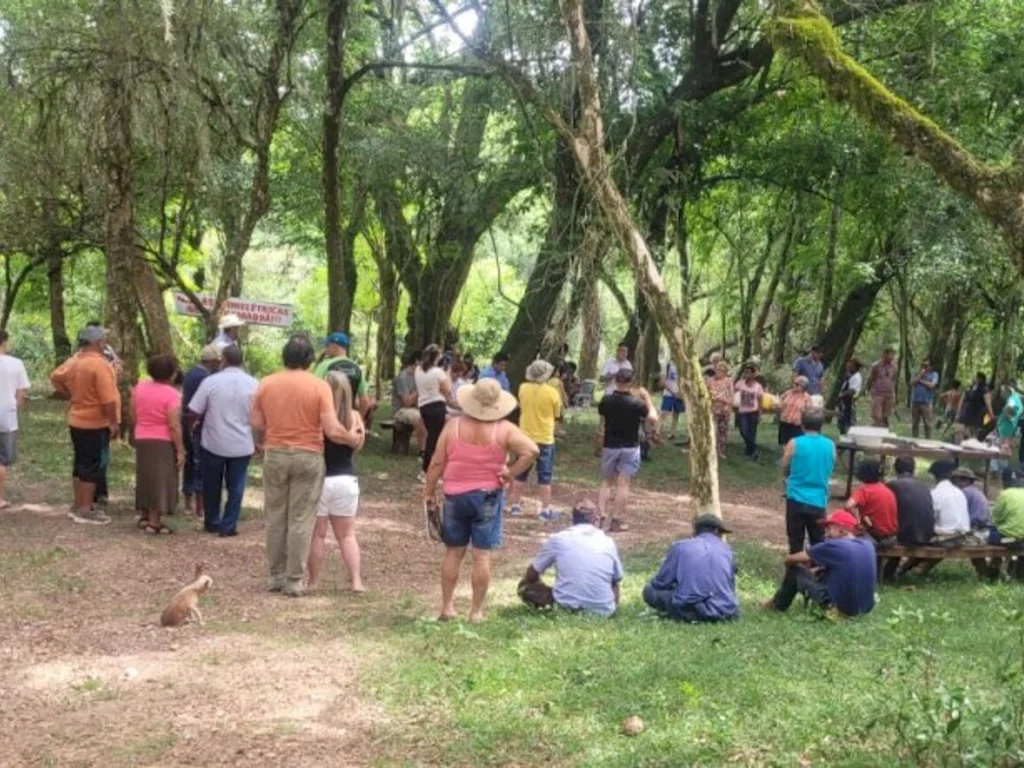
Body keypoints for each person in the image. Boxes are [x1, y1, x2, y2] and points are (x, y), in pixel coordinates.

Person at [250, 335, 363, 597]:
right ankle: (294, 579)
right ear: (310, 359)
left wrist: (274, 433)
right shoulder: (318, 386)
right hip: (308, 455)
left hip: (276, 453)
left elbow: (255, 421)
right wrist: (351, 438)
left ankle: (275, 575)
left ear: (284, 357)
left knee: (275, 515)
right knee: (301, 518)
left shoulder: (266, 384)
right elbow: (332, 429)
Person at [423, 378, 538, 622]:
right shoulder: (504, 429)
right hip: (487, 496)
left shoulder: (452, 426)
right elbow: (532, 450)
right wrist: (511, 472)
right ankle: (476, 611)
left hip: (455, 495)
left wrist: (429, 492)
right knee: (481, 555)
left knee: (453, 552)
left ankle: (447, 607)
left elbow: (436, 462)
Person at [50, 326, 121, 525]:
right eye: (103, 340)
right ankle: (85, 509)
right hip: (95, 422)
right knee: (92, 464)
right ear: (98, 343)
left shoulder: (74, 360)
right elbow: (108, 400)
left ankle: (79, 503)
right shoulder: (100, 365)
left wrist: (70, 395)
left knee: (81, 462)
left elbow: (55, 377)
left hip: (77, 419)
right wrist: (113, 422)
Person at [188, 344, 258, 537]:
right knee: (236, 487)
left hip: (214, 442)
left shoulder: (211, 382)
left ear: (223, 360)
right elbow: (260, 416)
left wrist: (191, 427)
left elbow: (194, 410)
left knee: (212, 484)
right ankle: (229, 526)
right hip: (242, 444)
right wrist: (259, 440)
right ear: (242, 361)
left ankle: (212, 521)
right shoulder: (254, 384)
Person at [307, 372, 367, 593]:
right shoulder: (354, 416)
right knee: (347, 534)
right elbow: (358, 445)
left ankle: (313, 581)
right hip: (346, 478)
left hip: (320, 479)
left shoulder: (317, 416)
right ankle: (356, 581)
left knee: (318, 534)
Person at [764, 509, 877, 618]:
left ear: (842, 531)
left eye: (829, 528)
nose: (826, 533)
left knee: (795, 572)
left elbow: (790, 559)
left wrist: (797, 567)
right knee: (818, 572)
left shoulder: (834, 546)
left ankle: (776, 606)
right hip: (865, 609)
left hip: (839, 610)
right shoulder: (867, 545)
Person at [518, 500, 623, 615]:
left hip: (565, 607)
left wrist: (539, 584)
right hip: (604, 611)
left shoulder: (558, 539)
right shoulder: (608, 541)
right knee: (614, 583)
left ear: (573, 520)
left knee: (526, 588)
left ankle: (567, 601)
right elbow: (617, 578)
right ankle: (610, 609)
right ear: (596, 520)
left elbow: (532, 574)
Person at [642, 514, 738, 623]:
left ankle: (686, 615)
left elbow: (661, 583)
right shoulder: (727, 550)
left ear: (695, 531)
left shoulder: (680, 547)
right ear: (716, 531)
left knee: (649, 591)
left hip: (691, 610)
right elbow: (731, 586)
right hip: (726, 611)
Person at [597, 369, 658, 533]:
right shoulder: (636, 404)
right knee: (623, 484)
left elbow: (602, 417)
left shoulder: (606, 401)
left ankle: (601, 516)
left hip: (610, 445)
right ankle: (616, 520)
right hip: (630, 446)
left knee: (606, 482)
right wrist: (647, 399)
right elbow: (653, 418)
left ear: (616, 381)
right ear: (630, 383)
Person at [131, 355, 184, 534]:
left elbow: (134, 413)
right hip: (162, 440)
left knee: (145, 476)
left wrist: (138, 429)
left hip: (142, 436)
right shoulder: (173, 394)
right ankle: (155, 521)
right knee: (161, 479)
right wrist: (180, 450)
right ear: (171, 374)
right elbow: (173, 424)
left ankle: (144, 513)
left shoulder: (140, 388)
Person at [509, 360, 562, 521]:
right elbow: (557, 416)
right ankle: (545, 509)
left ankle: (515, 505)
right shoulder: (553, 392)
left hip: (525, 436)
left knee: (520, 472)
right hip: (545, 438)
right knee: (545, 475)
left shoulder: (523, 388)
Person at [782, 409, 835, 553]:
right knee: (818, 542)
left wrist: (786, 478)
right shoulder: (830, 445)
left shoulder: (794, 443)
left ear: (802, 425)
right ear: (821, 425)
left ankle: (794, 572)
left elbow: (785, 465)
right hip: (818, 500)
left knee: (795, 542)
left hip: (796, 498)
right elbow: (830, 467)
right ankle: (817, 572)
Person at [180, 345, 222, 517]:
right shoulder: (206, 378)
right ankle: (200, 507)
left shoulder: (190, 373)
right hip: (198, 424)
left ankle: (188, 502)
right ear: (212, 362)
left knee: (190, 462)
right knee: (200, 464)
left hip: (186, 421)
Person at [314, 332, 377, 423]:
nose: (326, 349)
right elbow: (365, 401)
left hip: (327, 420)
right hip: (348, 421)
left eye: (327, 345)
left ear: (335, 347)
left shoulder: (325, 365)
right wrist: (359, 422)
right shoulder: (357, 368)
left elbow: (314, 392)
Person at [0, 330, 30, 510]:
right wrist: (15, 408)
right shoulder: (16, 363)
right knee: (2, 460)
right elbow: (21, 393)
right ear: (5, 342)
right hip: (6, 416)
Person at [415, 345, 452, 476]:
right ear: (437, 357)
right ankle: (426, 469)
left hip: (424, 406)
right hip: (437, 406)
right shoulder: (438, 372)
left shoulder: (418, 370)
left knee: (432, 436)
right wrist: (447, 373)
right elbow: (448, 390)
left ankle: (430, 466)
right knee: (434, 439)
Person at [845, 459, 898, 544]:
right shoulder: (886, 489)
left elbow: (848, 506)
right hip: (891, 537)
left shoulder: (864, 490)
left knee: (843, 535)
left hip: (874, 536)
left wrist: (857, 519)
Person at [887, 457, 935, 546]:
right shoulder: (923, 486)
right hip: (926, 535)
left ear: (895, 469)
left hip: (905, 536)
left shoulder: (892, 485)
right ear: (913, 469)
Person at [391, 350, 427, 453]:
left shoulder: (419, 376)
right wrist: (419, 388)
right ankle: (423, 451)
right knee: (420, 417)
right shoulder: (403, 378)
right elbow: (406, 402)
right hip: (401, 410)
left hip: (414, 408)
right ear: (417, 362)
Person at [928, 459, 971, 540]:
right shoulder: (959, 492)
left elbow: (930, 519)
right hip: (964, 536)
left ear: (934, 476)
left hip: (947, 537)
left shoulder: (935, 493)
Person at [734, 363, 764, 461]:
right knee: (743, 431)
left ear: (753, 374)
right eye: (745, 372)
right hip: (742, 411)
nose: (746, 375)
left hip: (753, 411)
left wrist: (760, 412)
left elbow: (760, 400)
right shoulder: (740, 383)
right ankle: (754, 448)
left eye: (748, 373)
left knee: (751, 432)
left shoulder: (758, 386)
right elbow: (733, 392)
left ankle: (750, 451)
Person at [989, 468, 1024, 547]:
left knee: (990, 534)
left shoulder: (1004, 494)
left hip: (1009, 536)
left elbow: (996, 518)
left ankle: (997, 558)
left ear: (1003, 482)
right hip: (1022, 537)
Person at [949, 467, 991, 532]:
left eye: (955, 479)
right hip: (982, 526)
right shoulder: (974, 491)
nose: (953, 482)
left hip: (975, 527)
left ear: (964, 480)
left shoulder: (965, 492)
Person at [707, 361, 734, 459]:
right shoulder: (710, 380)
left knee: (722, 431)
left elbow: (731, 396)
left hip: (724, 409)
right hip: (712, 408)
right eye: (717, 369)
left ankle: (720, 451)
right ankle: (711, 450)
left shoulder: (729, 381)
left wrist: (725, 402)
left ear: (725, 372)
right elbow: (705, 393)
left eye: (720, 370)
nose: (718, 372)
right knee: (712, 430)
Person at [955, 372, 993, 442]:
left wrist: (991, 415)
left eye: (975, 377)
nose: (973, 378)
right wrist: (958, 412)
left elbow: (988, 403)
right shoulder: (970, 388)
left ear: (979, 379)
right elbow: (962, 400)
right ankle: (959, 446)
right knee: (958, 430)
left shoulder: (985, 389)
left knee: (971, 434)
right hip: (966, 412)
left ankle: (969, 449)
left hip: (976, 414)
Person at [865, 347, 897, 427]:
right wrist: (869, 390)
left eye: (893, 355)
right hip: (878, 393)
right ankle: (873, 430)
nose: (892, 357)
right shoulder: (876, 366)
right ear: (884, 355)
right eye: (890, 355)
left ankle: (884, 431)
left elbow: (893, 380)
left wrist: (893, 394)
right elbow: (870, 379)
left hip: (889, 394)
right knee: (877, 416)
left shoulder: (894, 367)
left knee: (885, 416)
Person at [907, 359, 939, 439]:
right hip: (915, 402)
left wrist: (920, 381)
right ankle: (914, 440)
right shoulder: (916, 373)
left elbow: (931, 385)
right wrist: (920, 375)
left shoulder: (934, 374)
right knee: (914, 423)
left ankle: (928, 441)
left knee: (927, 424)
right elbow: (911, 383)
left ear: (930, 366)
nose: (924, 367)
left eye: (926, 366)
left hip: (926, 403)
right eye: (922, 365)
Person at [777, 376, 811, 448]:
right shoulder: (788, 393)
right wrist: (779, 406)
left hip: (797, 425)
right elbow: (779, 400)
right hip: (784, 422)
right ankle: (787, 456)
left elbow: (808, 412)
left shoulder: (807, 398)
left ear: (803, 386)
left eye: (796, 384)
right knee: (783, 443)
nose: (794, 385)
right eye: (794, 383)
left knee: (796, 444)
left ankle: (793, 457)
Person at [994, 381, 1023, 461]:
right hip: (1011, 428)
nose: (1001, 394)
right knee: (1007, 449)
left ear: (1007, 391)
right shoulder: (1017, 398)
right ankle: (1002, 469)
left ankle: (996, 471)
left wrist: (1009, 417)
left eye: (1002, 391)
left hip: (1005, 428)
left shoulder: (1011, 399)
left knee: (1002, 449)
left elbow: (1009, 408)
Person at [835, 358, 863, 435]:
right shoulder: (850, 376)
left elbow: (852, 391)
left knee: (848, 422)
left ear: (855, 367)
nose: (848, 366)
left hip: (849, 403)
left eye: (850, 365)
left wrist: (841, 396)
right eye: (848, 364)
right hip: (844, 403)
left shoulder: (856, 377)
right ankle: (843, 435)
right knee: (841, 421)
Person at [659, 359, 685, 440]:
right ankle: (657, 432)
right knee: (664, 412)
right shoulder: (667, 364)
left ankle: (673, 432)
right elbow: (663, 381)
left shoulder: (683, 364)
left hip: (680, 394)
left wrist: (681, 393)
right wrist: (674, 393)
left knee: (676, 413)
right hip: (668, 393)